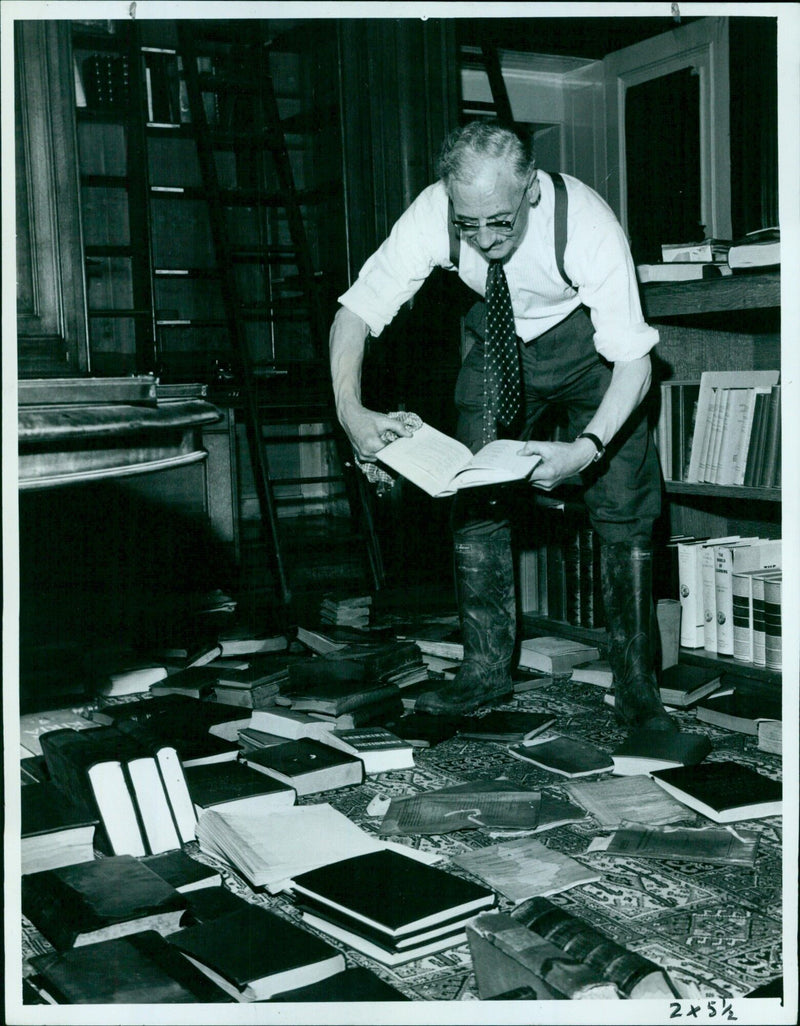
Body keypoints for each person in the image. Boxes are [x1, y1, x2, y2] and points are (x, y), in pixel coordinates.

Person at [329, 119, 674, 733]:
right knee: (473, 485)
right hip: (498, 334)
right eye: (469, 224)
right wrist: (351, 412)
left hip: (590, 348)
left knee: (624, 501)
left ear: (531, 191)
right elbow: (356, 312)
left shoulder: (586, 224)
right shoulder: (433, 212)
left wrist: (585, 449)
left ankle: (637, 686)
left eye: (500, 221)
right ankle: (485, 671)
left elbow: (634, 361)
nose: (484, 238)